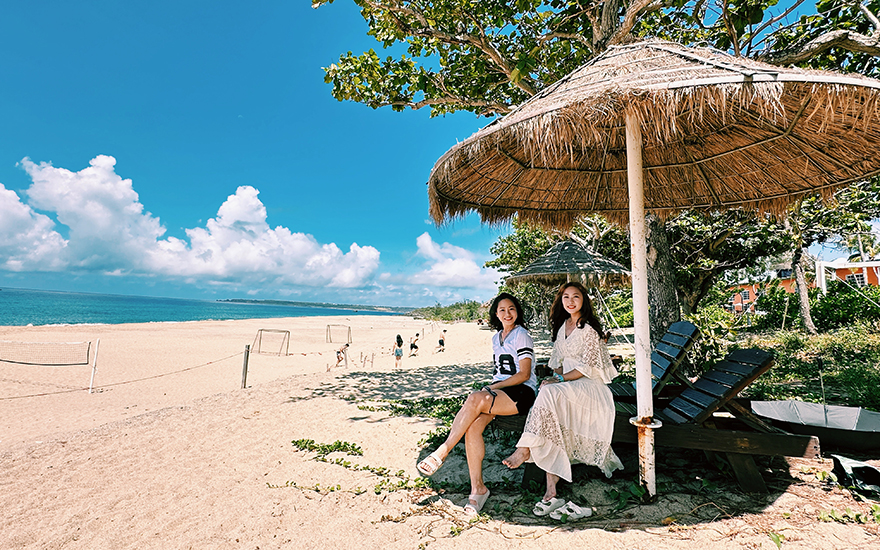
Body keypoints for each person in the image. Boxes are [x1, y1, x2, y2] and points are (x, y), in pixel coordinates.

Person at [502, 282, 622, 520]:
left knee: (549, 393)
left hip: (590, 388)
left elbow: (587, 368)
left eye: (576, 296)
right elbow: (557, 363)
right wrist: (553, 377)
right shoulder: (562, 328)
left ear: (583, 300)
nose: (571, 301)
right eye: (566, 297)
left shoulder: (589, 329)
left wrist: (558, 379)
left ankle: (524, 449)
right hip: (568, 387)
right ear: (561, 301)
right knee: (549, 406)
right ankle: (551, 490)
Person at [416, 293, 537, 514]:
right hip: (500, 392)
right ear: (496, 314)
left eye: (511, 308)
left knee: (474, 397)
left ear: (517, 311)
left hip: (522, 392)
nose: (507, 313)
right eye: (502, 310)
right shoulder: (496, 338)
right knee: (473, 426)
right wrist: (493, 388)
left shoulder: (521, 335)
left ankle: (443, 450)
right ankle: (478, 489)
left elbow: (524, 374)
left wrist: (492, 388)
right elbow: (500, 372)